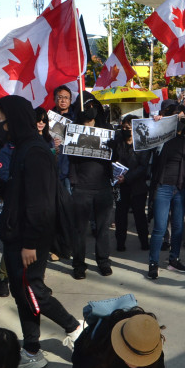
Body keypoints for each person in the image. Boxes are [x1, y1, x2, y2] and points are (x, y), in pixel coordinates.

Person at [0, 96, 82, 368]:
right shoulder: (23, 148)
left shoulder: (34, 151)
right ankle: (32, 349)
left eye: (1, 121)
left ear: (15, 121)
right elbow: (18, 193)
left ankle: (75, 329)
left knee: (33, 291)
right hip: (17, 235)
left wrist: (30, 243)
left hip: (27, 239)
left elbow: (39, 202)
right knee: (24, 295)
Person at [147, 103, 185, 280]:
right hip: (163, 187)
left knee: (178, 227)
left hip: (180, 189)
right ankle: (153, 263)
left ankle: (174, 259)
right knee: (160, 228)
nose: (180, 120)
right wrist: (157, 124)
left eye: (183, 118)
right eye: (176, 117)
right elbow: (145, 141)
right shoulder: (160, 138)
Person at [69, 93, 114, 279]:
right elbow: (70, 158)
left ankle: (103, 261)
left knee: (103, 229)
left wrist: (115, 145)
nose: (90, 110)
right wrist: (74, 181)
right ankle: (79, 264)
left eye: (92, 106)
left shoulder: (108, 129)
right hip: (81, 187)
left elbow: (116, 157)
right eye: (85, 107)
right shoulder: (73, 131)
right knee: (79, 229)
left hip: (103, 186)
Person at [113, 115, 150, 252]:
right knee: (120, 216)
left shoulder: (142, 144)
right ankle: (120, 243)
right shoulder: (118, 143)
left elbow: (143, 166)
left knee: (139, 215)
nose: (126, 130)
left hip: (137, 186)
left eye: (128, 127)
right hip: (120, 186)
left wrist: (127, 178)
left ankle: (144, 242)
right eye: (123, 127)